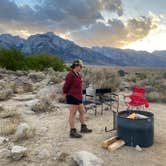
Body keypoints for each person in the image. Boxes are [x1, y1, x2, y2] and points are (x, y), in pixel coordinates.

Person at [63, 60, 92, 138]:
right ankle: (72, 131)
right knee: (72, 114)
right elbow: (66, 86)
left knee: (82, 111)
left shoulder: (78, 74)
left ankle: (83, 127)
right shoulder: (70, 74)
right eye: (81, 67)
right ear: (76, 66)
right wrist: (65, 94)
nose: (81, 68)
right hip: (72, 96)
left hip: (78, 96)